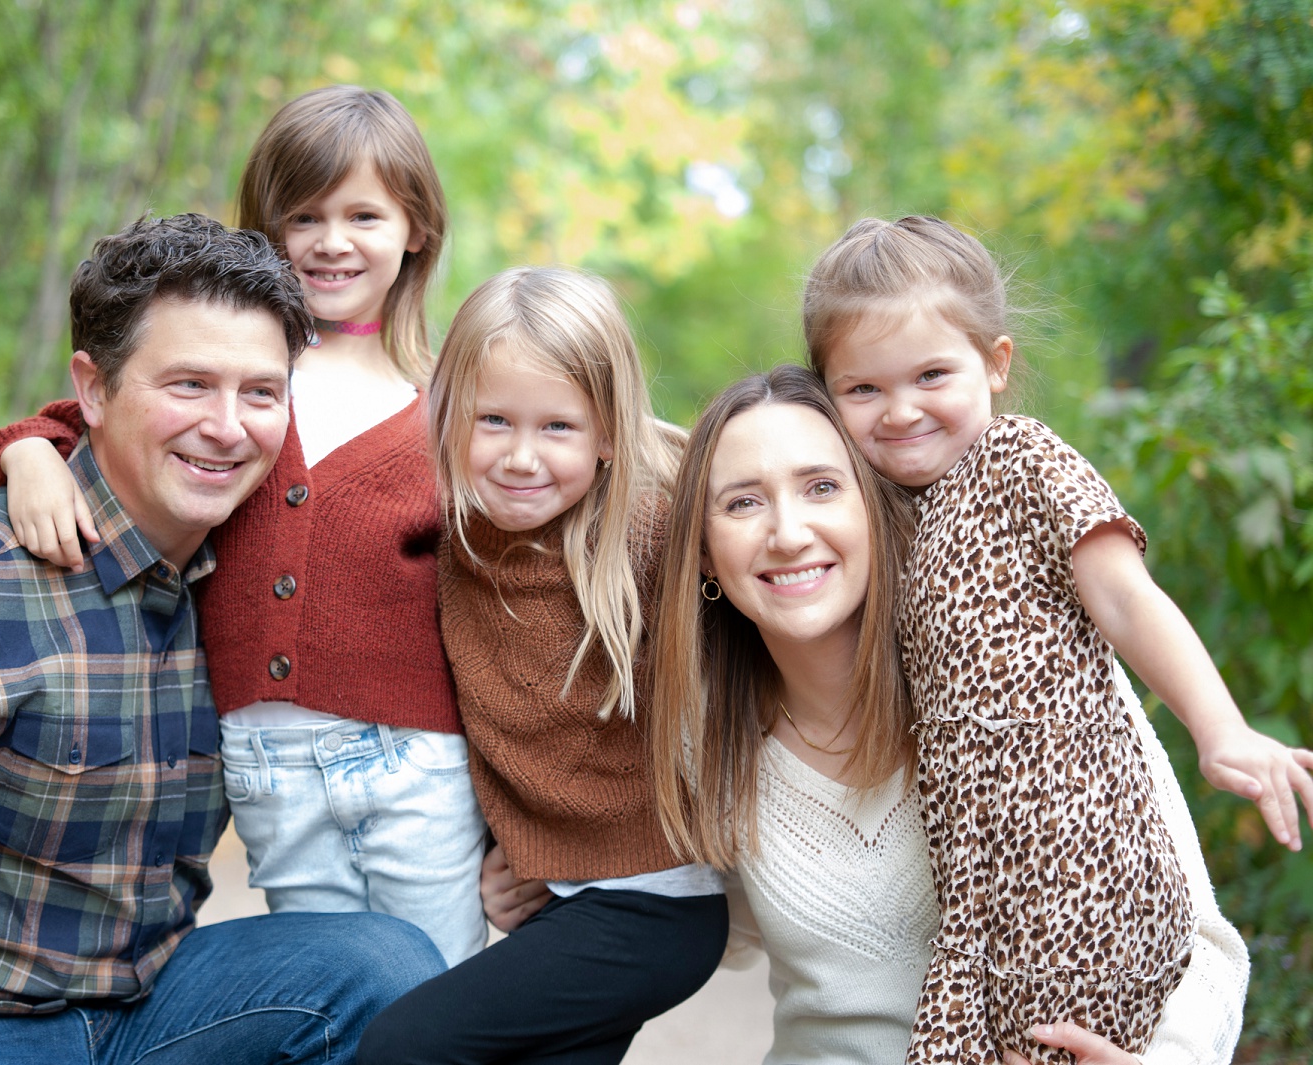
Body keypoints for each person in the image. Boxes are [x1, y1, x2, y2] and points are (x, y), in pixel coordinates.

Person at [0, 214, 445, 1065]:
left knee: (383, 963)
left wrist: (509, 853)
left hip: (139, 1011)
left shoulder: (247, 585)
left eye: (260, 393)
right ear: (95, 388)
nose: (228, 427)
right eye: (188, 384)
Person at [0, 86, 487, 966]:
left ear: (417, 229)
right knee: (336, 980)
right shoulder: (240, 376)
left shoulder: (446, 406)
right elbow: (84, 418)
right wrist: (24, 455)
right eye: (304, 215)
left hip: (416, 761)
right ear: (265, 232)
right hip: (264, 763)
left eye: (363, 214)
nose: (332, 240)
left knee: (442, 986)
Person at [798, 216, 1313, 1063]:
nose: (901, 410)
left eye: (932, 374)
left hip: (1082, 863)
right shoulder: (878, 515)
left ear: (995, 365)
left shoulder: (1019, 458)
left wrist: (1219, 730)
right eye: (863, 390)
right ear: (828, 395)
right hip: (978, 904)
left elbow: (1125, 599)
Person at [647, 364, 1252, 1065]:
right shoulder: (706, 740)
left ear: (873, 508)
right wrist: (536, 878)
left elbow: (1207, 944)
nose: (787, 532)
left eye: (821, 487)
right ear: (703, 552)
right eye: (743, 503)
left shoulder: (1032, 660)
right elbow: (703, 927)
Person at [354, 266, 728, 1065]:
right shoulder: (450, 540)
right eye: (495, 419)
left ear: (606, 434)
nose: (522, 457)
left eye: (558, 427)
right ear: (448, 416)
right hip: (553, 901)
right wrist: (35, 448)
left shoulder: (654, 536)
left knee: (400, 1047)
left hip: (653, 905)